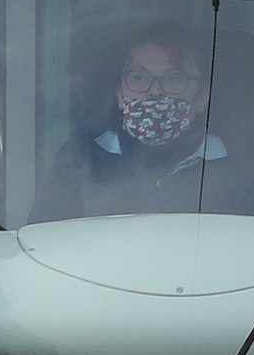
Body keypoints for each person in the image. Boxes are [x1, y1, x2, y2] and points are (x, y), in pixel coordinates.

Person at [54, 24, 234, 215]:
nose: (155, 91)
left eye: (173, 79)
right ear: (120, 95)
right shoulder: (81, 157)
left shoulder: (237, 165)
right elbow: (44, 236)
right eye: (139, 77)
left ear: (202, 98)